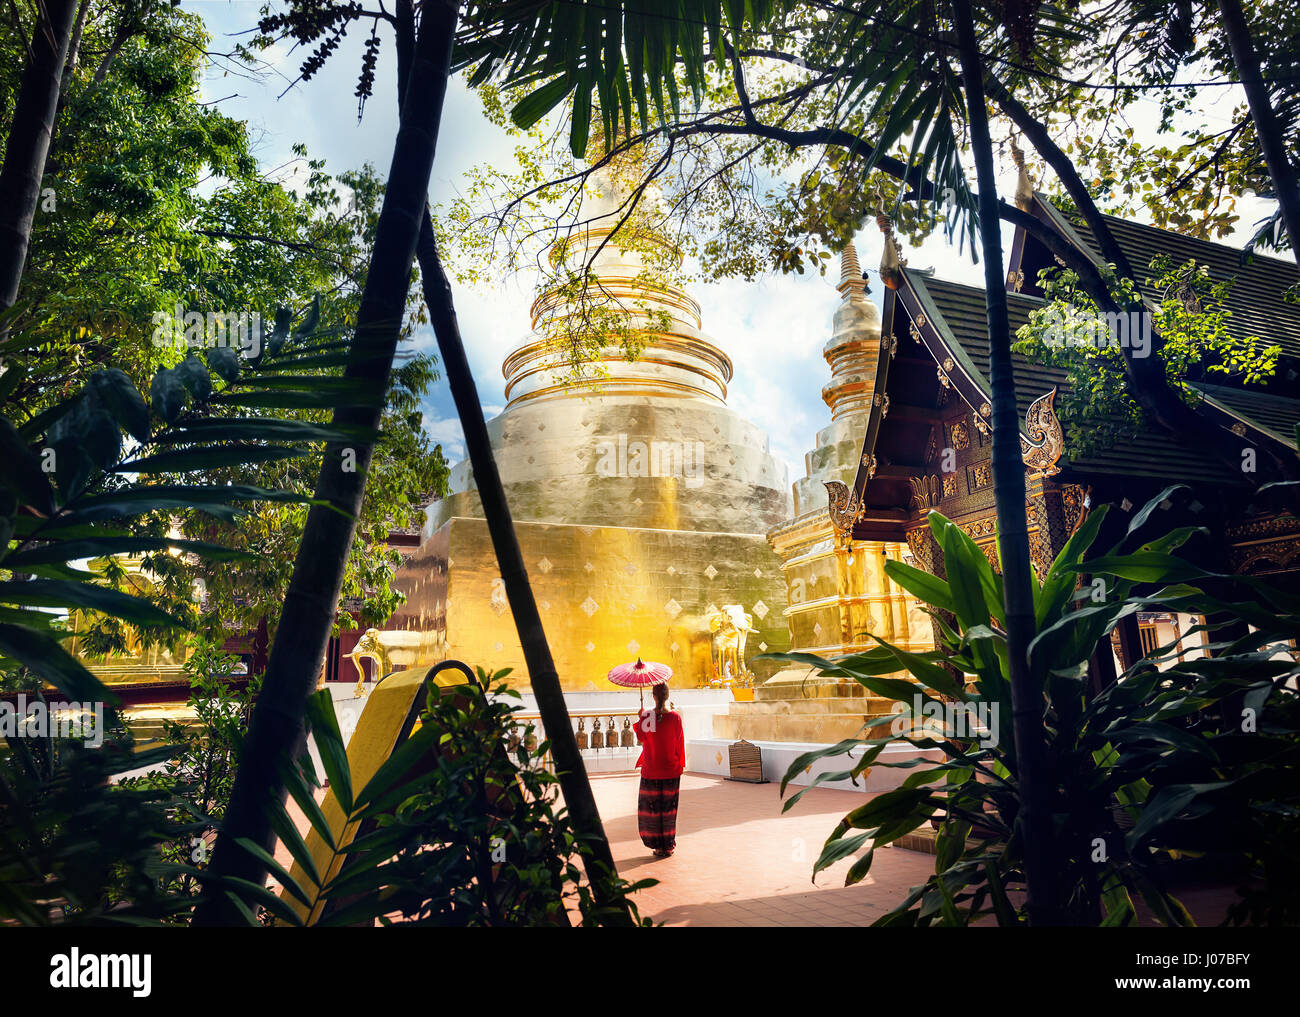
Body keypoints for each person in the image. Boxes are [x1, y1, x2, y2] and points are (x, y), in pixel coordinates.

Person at [632, 682, 685, 857]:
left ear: (653, 696)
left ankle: (657, 845)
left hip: (651, 769)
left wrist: (641, 719)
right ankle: (667, 845)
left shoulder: (648, 716)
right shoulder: (675, 718)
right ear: (667, 696)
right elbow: (679, 744)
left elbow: (642, 739)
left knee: (652, 810)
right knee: (669, 810)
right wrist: (680, 764)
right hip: (670, 769)